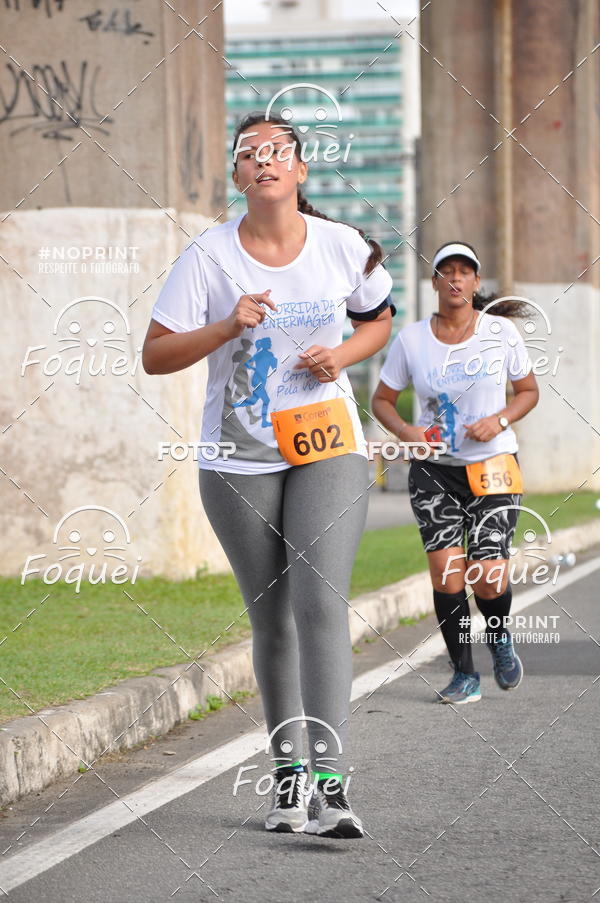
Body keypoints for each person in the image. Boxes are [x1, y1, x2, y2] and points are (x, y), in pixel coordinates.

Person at [142, 112, 394, 836]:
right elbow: (155, 355)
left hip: (328, 444)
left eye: (278, 150)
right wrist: (229, 325)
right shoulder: (209, 255)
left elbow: (378, 319)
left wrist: (341, 357)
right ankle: (287, 780)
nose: (264, 160)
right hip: (238, 457)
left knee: (321, 604)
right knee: (273, 618)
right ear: (237, 174)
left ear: (300, 170)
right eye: (249, 152)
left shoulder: (341, 246)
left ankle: (331, 788)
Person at [372, 241, 539, 704]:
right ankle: (464, 674)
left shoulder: (500, 332)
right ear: (435, 282)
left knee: (487, 576)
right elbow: (382, 400)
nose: (456, 278)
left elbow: (528, 391)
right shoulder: (411, 340)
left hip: (494, 465)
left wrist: (499, 420)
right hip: (435, 471)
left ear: (476, 281)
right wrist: (407, 431)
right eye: (447, 271)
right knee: (447, 575)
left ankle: (498, 636)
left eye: (465, 271)